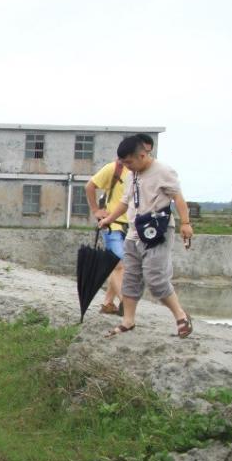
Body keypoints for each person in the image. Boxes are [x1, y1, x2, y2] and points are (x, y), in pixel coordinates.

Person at [100, 135, 194, 338]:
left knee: (156, 278)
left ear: (142, 155)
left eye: (129, 162)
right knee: (131, 278)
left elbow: (178, 197)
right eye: (123, 163)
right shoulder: (131, 174)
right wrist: (109, 219)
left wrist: (185, 223)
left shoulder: (163, 171)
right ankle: (128, 321)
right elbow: (125, 202)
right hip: (134, 233)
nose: (127, 166)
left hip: (157, 232)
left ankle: (181, 316)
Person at [85, 133, 154, 314]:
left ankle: (108, 303)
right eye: (142, 151)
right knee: (117, 265)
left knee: (126, 267)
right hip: (112, 225)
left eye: (147, 152)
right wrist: (96, 211)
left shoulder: (146, 172)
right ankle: (125, 303)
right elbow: (89, 186)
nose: (143, 155)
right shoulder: (114, 169)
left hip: (134, 227)